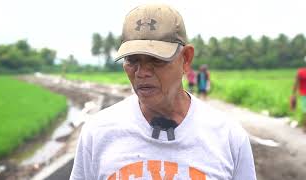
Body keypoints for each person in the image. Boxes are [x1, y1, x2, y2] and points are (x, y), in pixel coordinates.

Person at [70, 4, 256, 179]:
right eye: (132, 60)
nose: (142, 73)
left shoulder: (228, 138)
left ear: (186, 59)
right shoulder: (98, 133)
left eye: (156, 60)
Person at [292, 57, 306, 131]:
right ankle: (304, 127)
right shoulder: (301, 72)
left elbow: (296, 83)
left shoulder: (300, 72)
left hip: (304, 94)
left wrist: (293, 94)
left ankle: (304, 127)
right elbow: (296, 83)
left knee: (305, 111)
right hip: (304, 94)